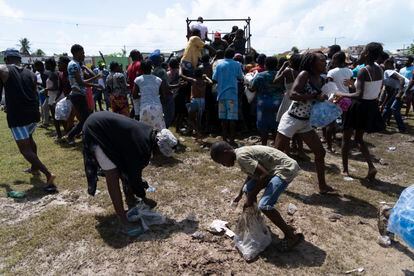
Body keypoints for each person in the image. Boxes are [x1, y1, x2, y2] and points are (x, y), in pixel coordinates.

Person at [82, 111, 177, 235]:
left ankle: (130, 200)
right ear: (158, 148)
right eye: (163, 156)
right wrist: (142, 196)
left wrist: (140, 196)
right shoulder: (141, 145)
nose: (162, 159)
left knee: (122, 168)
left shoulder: (149, 134)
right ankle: (122, 219)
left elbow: (128, 169)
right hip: (97, 131)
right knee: (113, 175)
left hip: (103, 127)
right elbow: (134, 176)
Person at [210, 141, 303, 252]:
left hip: (285, 168)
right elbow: (253, 174)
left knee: (265, 205)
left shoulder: (241, 157)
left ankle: (291, 236)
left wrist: (250, 198)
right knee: (247, 189)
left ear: (226, 153)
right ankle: (256, 221)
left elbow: (264, 175)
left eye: (222, 162)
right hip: (272, 168)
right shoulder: (239, 154)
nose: (223, 165)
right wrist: (240, 194)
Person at [275, 52, 334, 194]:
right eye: (321, 61)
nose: (325, 63)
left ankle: (322, 186)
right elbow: (293, 94)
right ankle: (261, 180)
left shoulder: (320, 79)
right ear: (312, 63)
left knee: (320, 152)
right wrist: (314, 96)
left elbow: (316, 98)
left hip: (305, 122)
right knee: (275, 154)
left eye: (325, 60)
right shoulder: (304, 75)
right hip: (291, 119)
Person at [0, 48, 57, 192]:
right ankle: (34, 167)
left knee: (25, 149)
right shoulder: (31, 73)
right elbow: (33, 93)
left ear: (6, 59)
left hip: (18, 116)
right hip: (32, 114)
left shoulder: (3, 69)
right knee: (30, 139)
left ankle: (49, 174)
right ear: (19, 59)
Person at [335, 42, 385, 180]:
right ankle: (371, 166)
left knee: (346, 138)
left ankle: (345, 169)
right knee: (359, 139)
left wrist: (341, 94)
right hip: (370, 106)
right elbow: (372, 88)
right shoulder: (380, 69)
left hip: (358, 106)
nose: (362, 53)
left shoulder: (364, 70)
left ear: (367, 53)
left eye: (363, 51)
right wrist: (353, 84)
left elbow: (358, 94)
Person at [64, 44, 101, 145]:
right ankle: (71, 135)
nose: (84, 55)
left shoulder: (76, 64)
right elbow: (80, 83)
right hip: (77, 95)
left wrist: (94, 79)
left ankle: (80, 135)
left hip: (80, 94)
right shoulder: (73, 65)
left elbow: (82, 81)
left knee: (86, 117)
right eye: (82, 53)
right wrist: (96, 85)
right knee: (86, 118)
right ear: (76, 53)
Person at [213, 48, 244, 146]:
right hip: (232, 95)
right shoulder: (237, 64)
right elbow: (240, 77)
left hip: (221, 94)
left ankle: (224, 139)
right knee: (232, 118)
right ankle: (232, 140)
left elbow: (214, 79)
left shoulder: (219, 64)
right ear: (233, 55)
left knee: (223, 118)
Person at [249, 57, 283, 145]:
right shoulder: (281, 75)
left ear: (265, 65)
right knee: (276, 124)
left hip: (263, 103)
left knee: (263, 126)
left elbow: (252, 88)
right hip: (277, 103)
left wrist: (247, 86)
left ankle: (264, 145)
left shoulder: (260, 75)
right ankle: (276, 144)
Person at [325, 51, 353, 152]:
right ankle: (345, 144)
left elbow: (328, 86)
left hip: (335, 97)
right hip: (346, 97)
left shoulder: (331, 72)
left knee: (330, 123)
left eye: (333, 59)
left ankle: (329, 146)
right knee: (346, 122)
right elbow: (350, 85)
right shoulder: (349, 71)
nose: (332, 61)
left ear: (336, 60)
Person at [181, 67, 213, 138]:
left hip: (194, 100)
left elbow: (182, 75)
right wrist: (206, 77)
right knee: (198, 119)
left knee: (190, 118)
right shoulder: (204, 81)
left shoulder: (193, 81)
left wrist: (180, 67)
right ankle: (194, 131)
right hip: (202, 101)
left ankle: (198, 132)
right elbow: (211, 82)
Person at [134, 60, 166, 130]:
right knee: (159, 131)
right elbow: (163, 96)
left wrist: (142, 95)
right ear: (151, 67)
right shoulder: (158, 80)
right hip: (157, 107)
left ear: (141, 69)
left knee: (144, 131)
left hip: (144, 107)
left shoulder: (138, 80)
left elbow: (134, 96)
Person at [382, 59, 412, 133]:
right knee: (388, 106)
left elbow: (401, 79)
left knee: (394, 109)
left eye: (384, 63)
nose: (383, 65)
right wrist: (383, 103)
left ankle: (402, 129)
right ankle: (381, 125)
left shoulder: (388, 71)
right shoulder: (386, 73)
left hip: (406, 89)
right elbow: (388, 92)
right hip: (400, 89)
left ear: (388, 64)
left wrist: (400, 93)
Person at [44, 57, 64, 139]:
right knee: (60, 117)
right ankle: (60, 134)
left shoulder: (53, 74)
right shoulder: (55, 73)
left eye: (46, 64)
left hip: (55, 97)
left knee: (56, 118)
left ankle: (59, 135)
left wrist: (46, 89)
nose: (45, 66)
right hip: (56, 96)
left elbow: (56, 87)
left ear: (50, 64)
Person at [127, 49, 143, 120]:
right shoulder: (139, 64)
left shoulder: (130, 66)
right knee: (138, 113)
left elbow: (128, 79)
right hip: (139, 91)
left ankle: (128, 120)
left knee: (135, 109)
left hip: (132, 91)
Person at [34, 60, 50, 128]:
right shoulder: (43, 73)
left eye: (36, 67)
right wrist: (38, 84)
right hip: (47, 92)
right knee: (43, 107)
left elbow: (47, 85)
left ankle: (46, 123)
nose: (35, 68)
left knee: (44, 107)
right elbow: (44, 84)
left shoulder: (44, 74)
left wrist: (45, 91)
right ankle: (44, 122)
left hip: (50, 93)